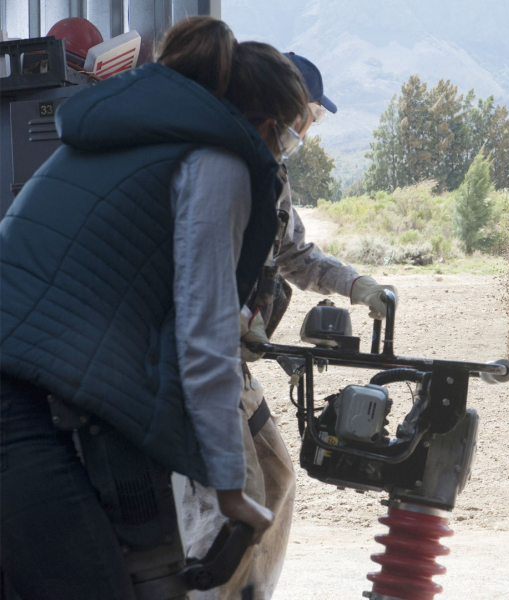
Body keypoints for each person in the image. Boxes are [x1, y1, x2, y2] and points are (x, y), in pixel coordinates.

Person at [0, 17, 309, 599]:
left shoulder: (127, 134)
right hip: (20, 405)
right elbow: (203, 337)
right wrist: (231, 488)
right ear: (266, 127)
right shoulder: (217, 163)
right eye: (288, 139)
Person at [179, 52, 397, 600]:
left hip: (234, 361)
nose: (308, 131)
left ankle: (250, 592)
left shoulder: (271, 178)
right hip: (200, 359)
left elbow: (295, 254)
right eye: (309, 118)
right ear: (283, 112)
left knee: (277, 479)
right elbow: (193, 273)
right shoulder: (219, 170)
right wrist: (236, 322)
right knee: (237, 503)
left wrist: (356, 284)